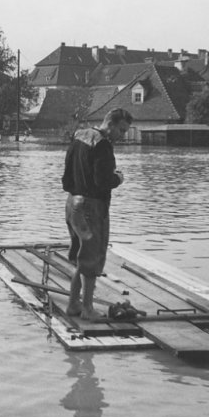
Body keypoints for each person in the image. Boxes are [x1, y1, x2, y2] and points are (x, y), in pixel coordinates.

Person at [61, 107, 132, 321]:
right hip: (91, 207)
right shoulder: (102, 145)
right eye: (121, 130)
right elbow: (103, 182)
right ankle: (88, 309)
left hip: (72, 204)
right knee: (92, 259)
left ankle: (73, 304)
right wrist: (118, 178)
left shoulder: (79, 136)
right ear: (109, 124)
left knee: (80, 257)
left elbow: (66, 178)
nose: (123, 135)